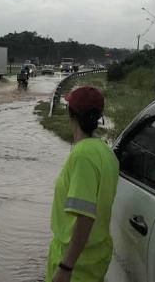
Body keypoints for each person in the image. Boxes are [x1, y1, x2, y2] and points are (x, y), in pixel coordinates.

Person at [45, 86, 119, 282]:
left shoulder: (83, 156)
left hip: (76, 263)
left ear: (72, 115)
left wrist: (65, 267)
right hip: (92, 257)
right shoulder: (105, 151)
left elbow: (85, 217)